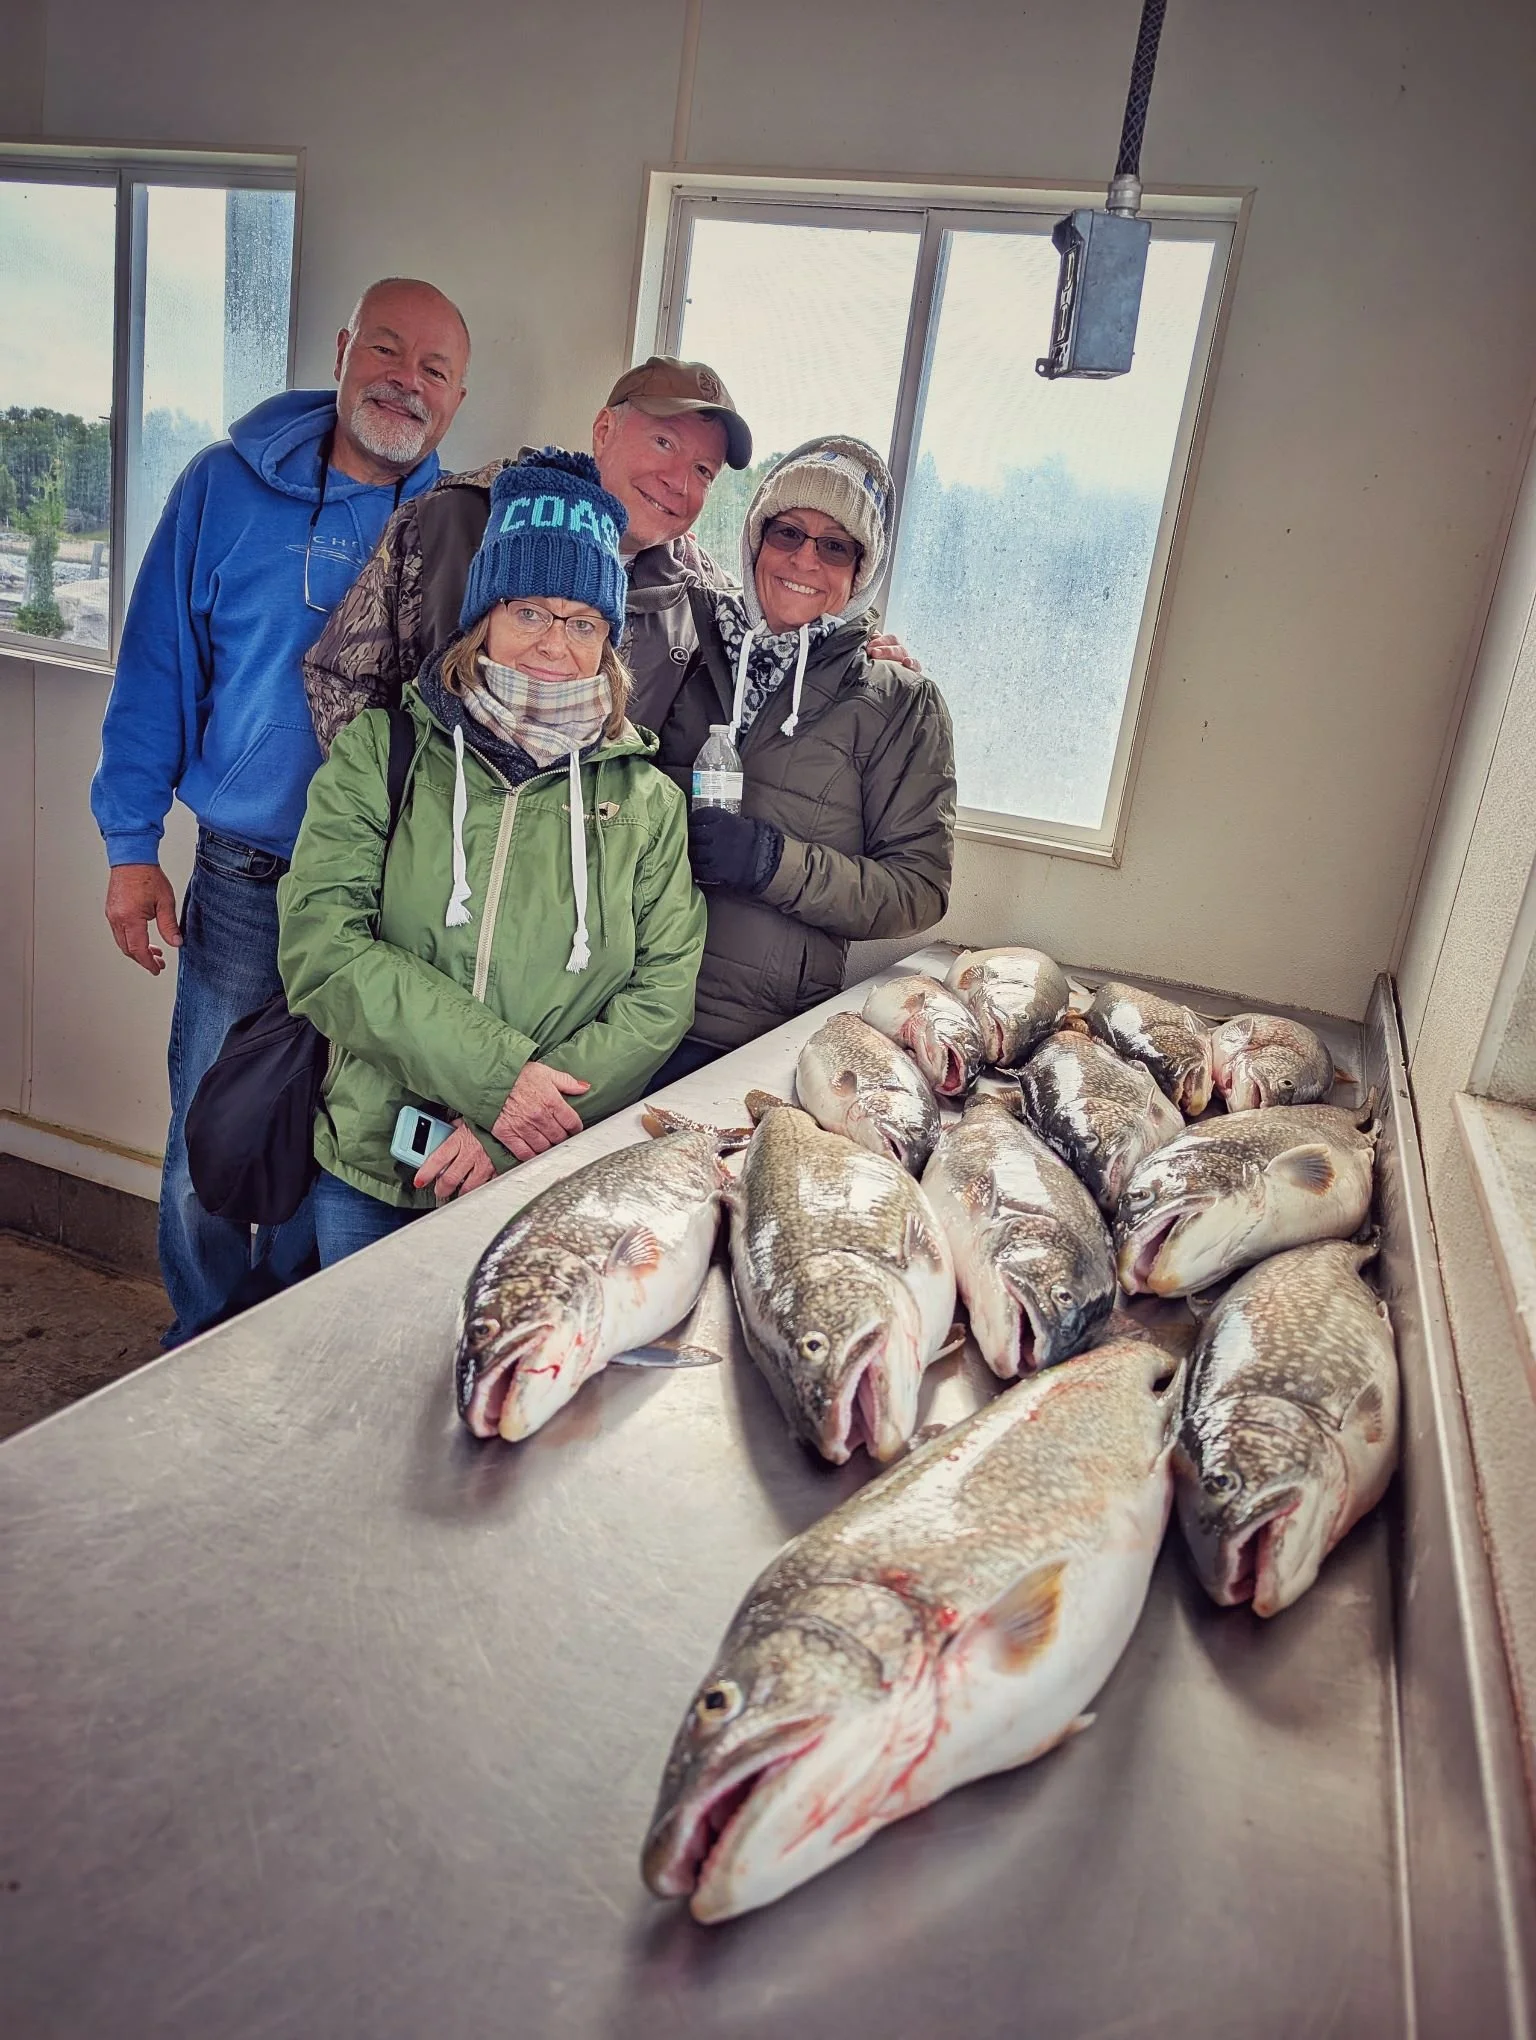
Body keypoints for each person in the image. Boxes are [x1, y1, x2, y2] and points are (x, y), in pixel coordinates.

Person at [90, 277, 471, 1343]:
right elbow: (156, 671)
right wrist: (130, 847)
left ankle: (285, 1354)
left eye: (434, 370)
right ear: (344, 349)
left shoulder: (463, 528)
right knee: (209, 1135)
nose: (406, 381)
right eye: (388, 352)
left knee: (341, 1145)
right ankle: (196, 1345)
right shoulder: (221, 488)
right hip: (245, 880)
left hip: (386, 912)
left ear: (458, 394)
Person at [277, 449, 705, 1265]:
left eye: (583, 622)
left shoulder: (647, 804)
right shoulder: (383, 751)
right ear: (484, 618)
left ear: (610, 644)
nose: (555, 642)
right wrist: (498, 1080)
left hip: (534, 1176)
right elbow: (321, 947)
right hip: (374, 1162)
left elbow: (661, 995)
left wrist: (516, 1126)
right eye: (530, 611)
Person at [650, 435, 956, 1084]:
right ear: (756, 543)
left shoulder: (899, 701)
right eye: (787, 533)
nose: (804, 559)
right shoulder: (686, 648)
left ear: (860, 571)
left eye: (834, 545)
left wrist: (771, 862)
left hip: (755, 1047)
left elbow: (919, 891)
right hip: (624, 1019)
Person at [302, 355, 752, 754]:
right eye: (664, 443)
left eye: (703, 471)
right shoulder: (452, 519)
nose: (680, 482)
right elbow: (344, 680)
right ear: (603, 430)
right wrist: (398, 819)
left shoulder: (702, 601)